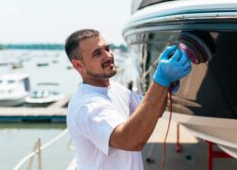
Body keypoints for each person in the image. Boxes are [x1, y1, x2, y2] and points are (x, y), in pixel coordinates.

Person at [65, 29, 191, 170]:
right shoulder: (87, 105)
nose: (108, 56)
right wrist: (161, 80)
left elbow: (154, 111)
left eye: (107, 48)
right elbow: (131, 140)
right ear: (78, 65)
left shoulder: (115, 89)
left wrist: (166, 85)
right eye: (97, 53)